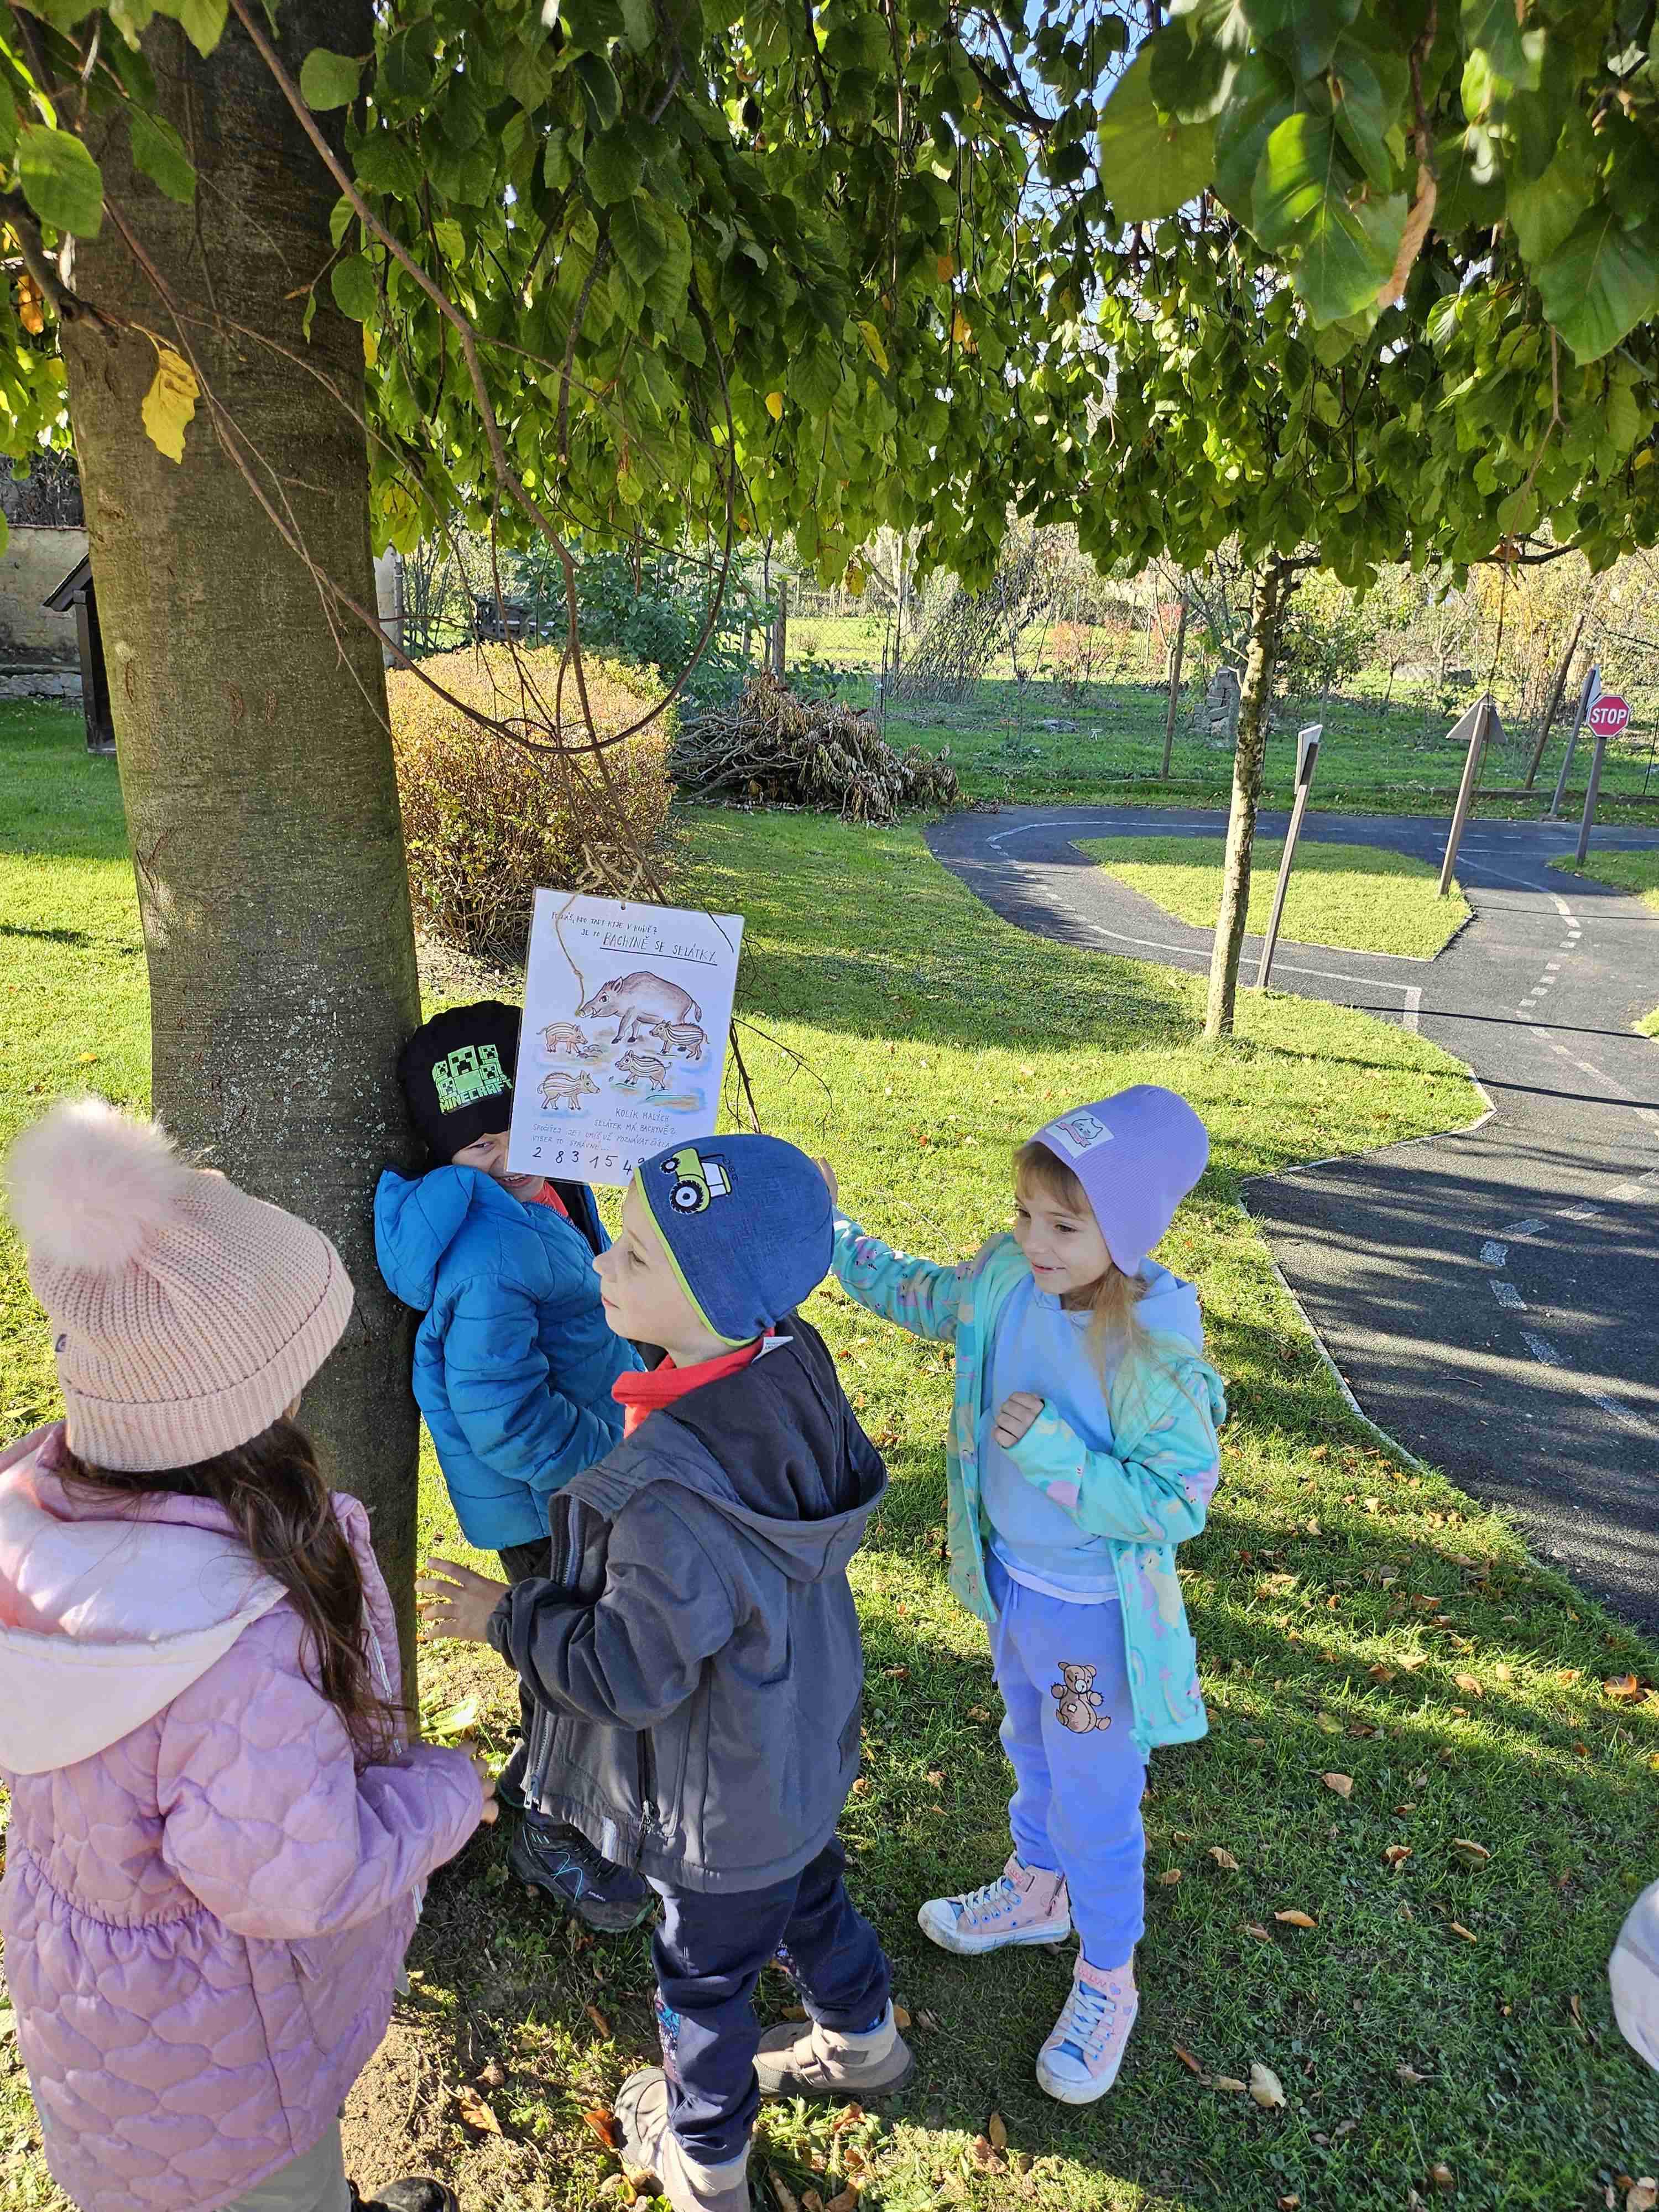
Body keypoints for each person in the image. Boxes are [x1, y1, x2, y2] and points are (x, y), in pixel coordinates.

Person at [0, 1097, 489, 2212]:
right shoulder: (233, 1646)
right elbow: (301, 1879)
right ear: (240, 1398)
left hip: (104, 2029)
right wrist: (450, 1792)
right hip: (229, 2083)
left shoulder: (42, 1529)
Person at [418, 1134, 911, 2212]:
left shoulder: (665, 1498)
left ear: (711, 1301)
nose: (603, 1262)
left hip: (715, 1803)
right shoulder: (789, 1352)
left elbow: (624, 1670)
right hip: (797, 1740)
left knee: (705, 1978)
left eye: (635, 1254)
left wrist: (504, 1614)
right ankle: (863, 2037)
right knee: (809, 1886)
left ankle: (703, 2159)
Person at [821, 1086, 1225, 2105]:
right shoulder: (1008, 1278)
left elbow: (1176, 1500)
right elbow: (923, 1295)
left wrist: (1056, 1458)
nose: (1033, 1241)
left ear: (1126, 1230)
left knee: (1098, 1799)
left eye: (1064, 1225)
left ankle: (1108, 1976)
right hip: (1013, 1586)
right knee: (1032, 1745)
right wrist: (830, 1233)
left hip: (1095, 1619)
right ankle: (1037, 1890)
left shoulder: (1151, 1352)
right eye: (1024, 1213)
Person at [375, 999, 648, 1932]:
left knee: (575, 1652)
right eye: (479, 1144)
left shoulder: (549, 1190)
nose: (507, 1155)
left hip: (588, 1473)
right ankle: (551, 1831)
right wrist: (607, 1466)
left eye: (522, 1126)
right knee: (565, 1659)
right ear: (445, 1157)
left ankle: (549, 1786)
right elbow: (504, 1413)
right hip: (549, 1500)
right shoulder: (487, 1253)